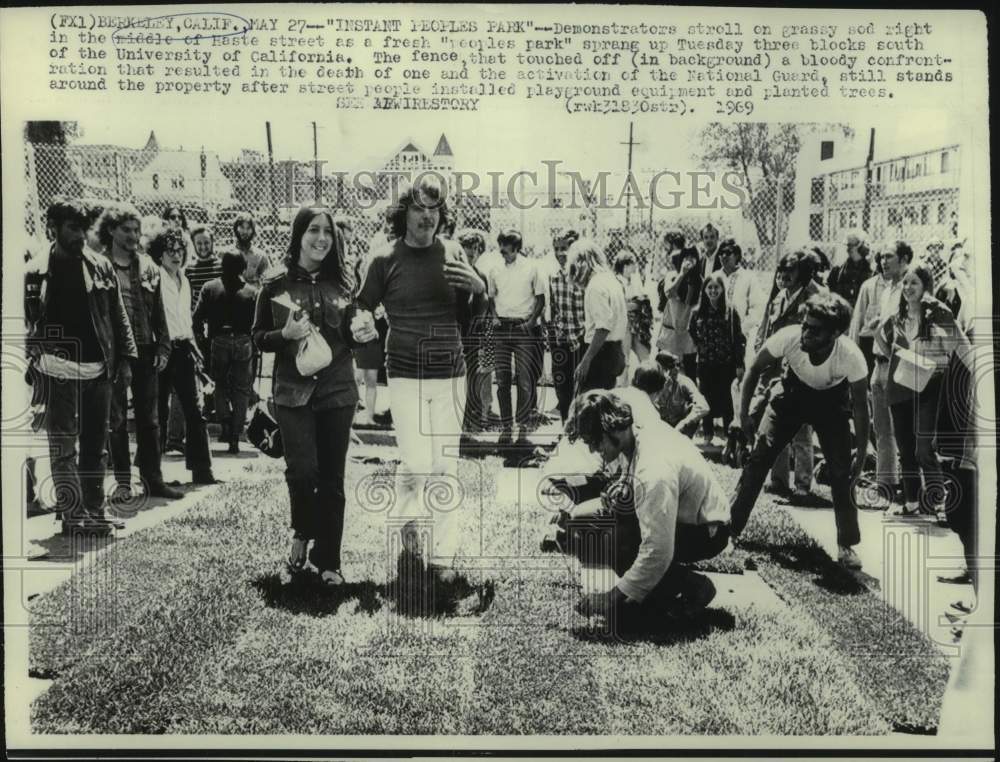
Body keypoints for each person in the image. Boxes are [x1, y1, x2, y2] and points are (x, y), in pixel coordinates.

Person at [353, 177, 488, 594]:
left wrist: (480, 289)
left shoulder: (453, 251)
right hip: (407, 373)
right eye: (419, 208)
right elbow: (362, 305)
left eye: (435, 209)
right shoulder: (383, 259)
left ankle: (443, 556)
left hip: (451, 374)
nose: (428, 215)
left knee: (445, 465)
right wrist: (361, 325)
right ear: (403, 213)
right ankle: (410, 526)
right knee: (415, 464)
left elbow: (475, 313)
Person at [252, 206, 360, 585]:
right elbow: (258, 338)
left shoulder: (345, 283)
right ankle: (302, 530)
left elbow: (353, 333)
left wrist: (363, 332)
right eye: (313, 230)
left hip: (337, 392)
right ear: (299, 235)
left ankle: (329, 561)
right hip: (293, 394)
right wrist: (285, 336)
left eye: (328, 232)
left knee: (332, 478)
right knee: (302, 471)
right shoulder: (275, 284)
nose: (321, 239)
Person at [562, 390, 731, 624]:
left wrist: (612, 597)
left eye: (594, 441)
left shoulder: (654, 467)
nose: (592, 450)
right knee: (585, 523)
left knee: (616, 540)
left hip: (707, 530)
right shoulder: (634, 435)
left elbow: (658, 549)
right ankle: (660, 590)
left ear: (612, 430)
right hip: (685, 516)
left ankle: (694, 587)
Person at [731, 293, 870, 569]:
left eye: (815, 330)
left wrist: (863, 452)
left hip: (831, 403)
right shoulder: (790, 337)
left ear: (836, 333)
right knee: (759, 458)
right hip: (791, 396)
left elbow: (861, 409)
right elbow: (754, 369)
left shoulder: (851, 356)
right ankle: (729, 530)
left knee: (842, 472)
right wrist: (742, 415)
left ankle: (847, 545)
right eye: (805, 325)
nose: (806, 333)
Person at [24, 198, 138, 533]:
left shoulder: (100, 266)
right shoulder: (34, 271)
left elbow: (118, 316)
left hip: (97, 369)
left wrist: (127, 360)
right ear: (53, 229)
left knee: (95, 447)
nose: (80, 236)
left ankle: (94, 511)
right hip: (56, 372)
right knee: (63, 447)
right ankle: (73, 517)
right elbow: (22, 320)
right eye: (72, 228)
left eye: (83, 228)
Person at [876, 264, 974, 522]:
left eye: (914, 283)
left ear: (926, 287)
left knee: (923, 449)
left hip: (929, 386)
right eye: (905, 283)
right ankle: (910, 501)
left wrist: (942, 363)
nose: (908, 288)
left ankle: (938, 502)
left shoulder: (937, 314)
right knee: (905, 448)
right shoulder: (897, 315)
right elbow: (879, 335)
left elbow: (959, 347)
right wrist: (896, 357)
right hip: (900, 383)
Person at [100, 204, 183, 501]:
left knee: (150, 419)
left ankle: (153, 478)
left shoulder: (147, 265)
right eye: (126, 229)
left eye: (136, 230)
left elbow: (159, 311)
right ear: (110, 230)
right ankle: (123, 484)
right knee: (118, 419)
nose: (133, 235)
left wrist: (164, 345)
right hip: (114, 353)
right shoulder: (100, 265)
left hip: (147, 349)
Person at [753, 250, 824, 501]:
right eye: (781, 270)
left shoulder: (813, 297)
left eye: (790, 271)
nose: (784, 275)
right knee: (775, 424)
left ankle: (803, 484)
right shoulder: (779, 298)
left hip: (801, 369)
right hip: (775, 369)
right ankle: (778, 479)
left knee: (801, 428)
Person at [151, 228, 216, 484]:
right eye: (170, 251)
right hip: (160, 351)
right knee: (158, 412)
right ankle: (152, 474)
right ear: (160, 254)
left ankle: (202, 470)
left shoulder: (185, 279)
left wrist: (194, 348)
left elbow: (184, 319)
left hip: (183, 348)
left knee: (195, 410)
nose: (176, 256)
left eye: (180, 250)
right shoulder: (154, 278)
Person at [194, 252, 258, 453]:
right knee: (242, 388)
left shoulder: (210, 288)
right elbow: (258, 323)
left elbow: (196, 319)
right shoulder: (251, 292)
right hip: (243, 340)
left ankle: (225, 422)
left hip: (219, 339)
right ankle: (236, 433)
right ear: (243, 267)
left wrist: (203, 341)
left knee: (219, 384)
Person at [487, 228, 546, 448]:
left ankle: (522, 428)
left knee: (523, 379)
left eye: (506, 247)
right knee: (502, 380)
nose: (502, 250)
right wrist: (493, 317)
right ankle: (506, 428)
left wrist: (530, 322)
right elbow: (491, 297)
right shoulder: (494, 269)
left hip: (523, 328)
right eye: (500, 245)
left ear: (517, 248)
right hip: (502, 327)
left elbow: (540, 299)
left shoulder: (532, 268)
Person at [864, 241, 913, 505]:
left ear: (904, 259)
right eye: (881, 257)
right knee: (881, 430)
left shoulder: (909, 289)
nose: (884, 261)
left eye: (889, 257)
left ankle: (910, 489)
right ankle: (886, 485)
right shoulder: (884, 291)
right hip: (878, 364)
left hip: (897, 366)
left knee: (903, 431)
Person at [689, 272, 745, 445]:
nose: (713, 291)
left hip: (725, 364)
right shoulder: (698, 312)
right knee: (706, 398)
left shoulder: (730, 311)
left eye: (716, 287)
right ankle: (708, 434)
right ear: (704, 290)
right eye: (710, 287)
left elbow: (738, 338)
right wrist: (701, 345)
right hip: (705, 363)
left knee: (727, 400)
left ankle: (729, 436)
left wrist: (739, 363)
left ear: (722, 289)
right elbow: (691, 331)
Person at [565, 239, 628, 393]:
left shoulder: (595, 286)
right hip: (615, 349)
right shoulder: (611, 280)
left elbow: (603, 327)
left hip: (600, 354)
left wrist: (586, 360)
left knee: (589, 404)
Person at [455, 228, 495, 439]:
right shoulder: (451, 273)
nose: (471, 252)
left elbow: (484, 309)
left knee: (473, 381)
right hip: (453, 335)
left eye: (476, 248)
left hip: (472, 337)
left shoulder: (480, 276)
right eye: (467, 247)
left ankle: (470, 427)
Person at [548, 228, 586, 423]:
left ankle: (580, 432)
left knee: (581, 391)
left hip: (582, 340)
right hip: (561, 339)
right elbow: (554, 308)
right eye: (557, 248)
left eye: (565, 248)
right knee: (562, 388)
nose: (560, 253)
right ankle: (565, 429)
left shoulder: (584, 276)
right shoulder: (553, 276)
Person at [656, 240, 701, 379]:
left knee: (689, 374)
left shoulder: (699, 281)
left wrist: (691, 283)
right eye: (686, 257)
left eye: (692, 257)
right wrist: (682, 274)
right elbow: (669, 292)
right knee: (663, 374)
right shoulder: (671, 276)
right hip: (670, 334)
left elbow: (691, 303)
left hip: (687, 335)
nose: (689, 260)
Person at [719, 239, 762, 364]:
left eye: (728, 252)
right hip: (716, 335)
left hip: (739, 336)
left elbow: (757, 307)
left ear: (737, 255)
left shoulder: (748, 277)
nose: (724, 256)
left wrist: (741, 329)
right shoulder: (715, 277)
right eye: (721, 253)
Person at [613, 248, 653, 376]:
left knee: (645, 355)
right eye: (633, 263)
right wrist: (634, 304)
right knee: (625, 359)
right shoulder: (617, 281)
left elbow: (642, 300)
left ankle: (647, 382)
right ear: (625, 265)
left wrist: (635, 304)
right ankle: (622, 388)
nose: (635, 266)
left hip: (638, 323)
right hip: (624, 324)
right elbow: (621, 306)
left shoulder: (635, 279)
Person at [652, 351, 709, 436]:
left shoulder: (684, 382)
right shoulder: (652, 381)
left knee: (692, 408)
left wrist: (684, 423)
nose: (676, 369)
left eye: (678, 365)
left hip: (679, 429)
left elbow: (704, 406)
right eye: (671, 366)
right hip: (659, 427)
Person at [828, 231, 872, 307]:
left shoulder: (870, 271)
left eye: (852, 246)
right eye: (848, 246)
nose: (848, 249)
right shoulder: (838, 270)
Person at [227, 212, 271, 286]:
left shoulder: (260, 256)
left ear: (253, 230)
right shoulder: (227, 254)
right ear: (236, 229)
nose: (245, 232)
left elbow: (268, 279)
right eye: (242, 227)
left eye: (248, 228)